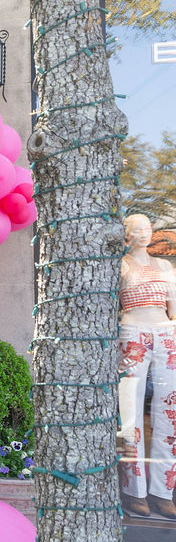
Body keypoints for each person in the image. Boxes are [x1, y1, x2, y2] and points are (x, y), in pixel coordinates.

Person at [118, 214, 176, 519]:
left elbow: (174, 308)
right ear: (126, 234)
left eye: (146, 229)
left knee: (169, 412)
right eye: (136, 229)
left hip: (165, 332)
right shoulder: (121, 266)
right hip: (132, 331)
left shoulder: (165, 266)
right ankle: (134, 491)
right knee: (131, 410)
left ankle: (163, 491)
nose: (142, 234)